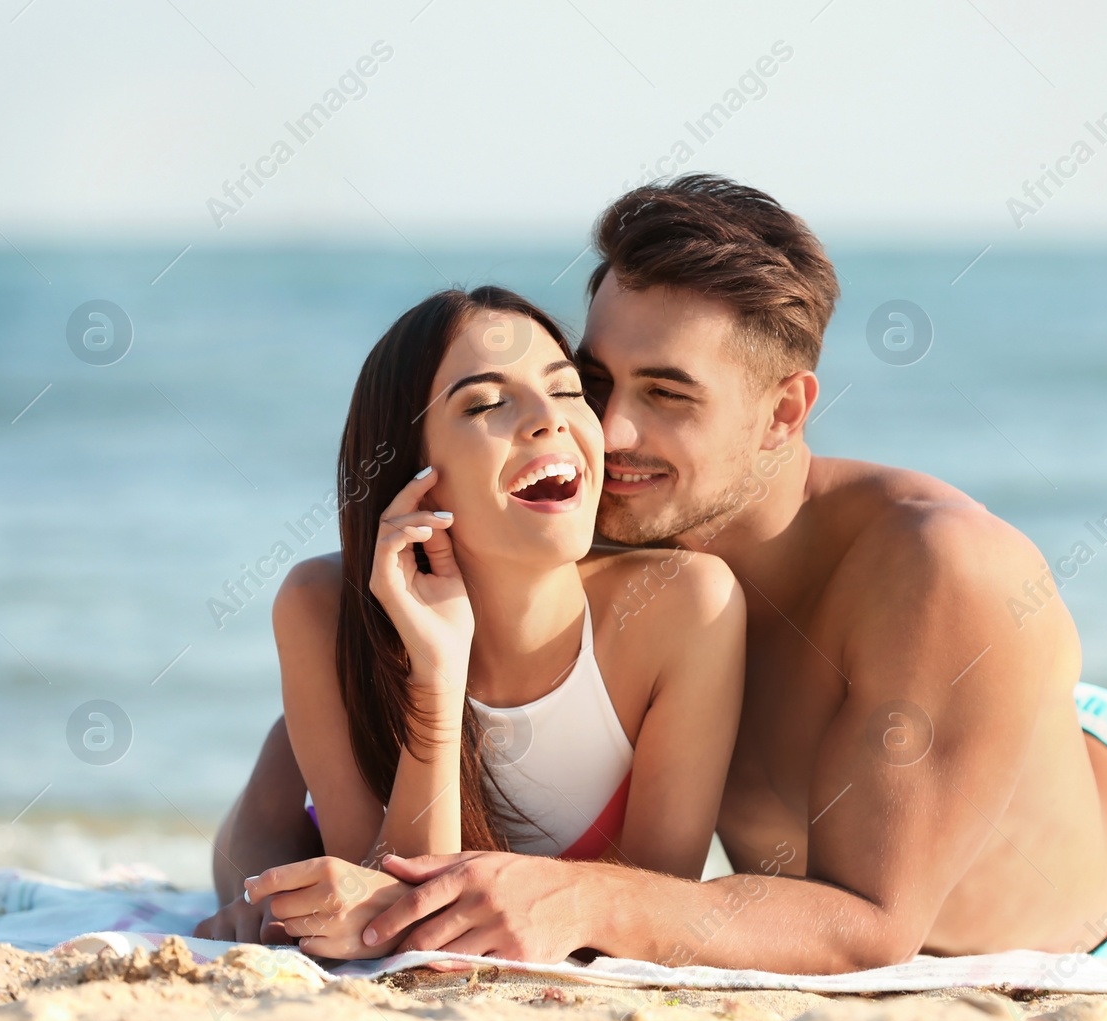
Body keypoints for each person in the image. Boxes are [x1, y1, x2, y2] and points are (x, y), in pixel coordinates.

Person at [222, 177, 1107, 971]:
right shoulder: (600, 523)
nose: (603, 433)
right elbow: (311, 759)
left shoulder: (936, 570)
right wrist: (263, 891)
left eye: (667, 396)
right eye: (597, 381)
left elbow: (876, 925)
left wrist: (561, 896)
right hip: (985, 741)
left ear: (788, 411)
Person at [194, 286, 744, 958]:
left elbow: (649, 907)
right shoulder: (318, 604)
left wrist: (394, 897)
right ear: (418, 472)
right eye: (486, 403)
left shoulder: (686, 605)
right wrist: (437, 668)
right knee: (258, 846)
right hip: (294, 818)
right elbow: (395, 928)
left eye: (570, 391)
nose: (549, 419)